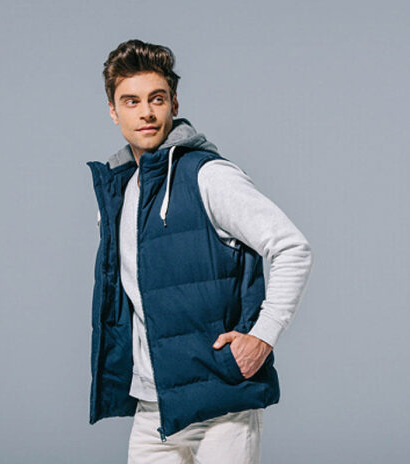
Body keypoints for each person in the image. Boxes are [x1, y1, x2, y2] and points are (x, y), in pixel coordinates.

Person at [87, 39, 313, 463]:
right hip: (153, 407)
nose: (146, 112)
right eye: (131, 101)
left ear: (174, 103)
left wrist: (262, 337)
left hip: (221, 402)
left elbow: (291, 247)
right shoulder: (120, 192)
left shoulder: (208, 176)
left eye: (156, 99)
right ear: (113, 111)